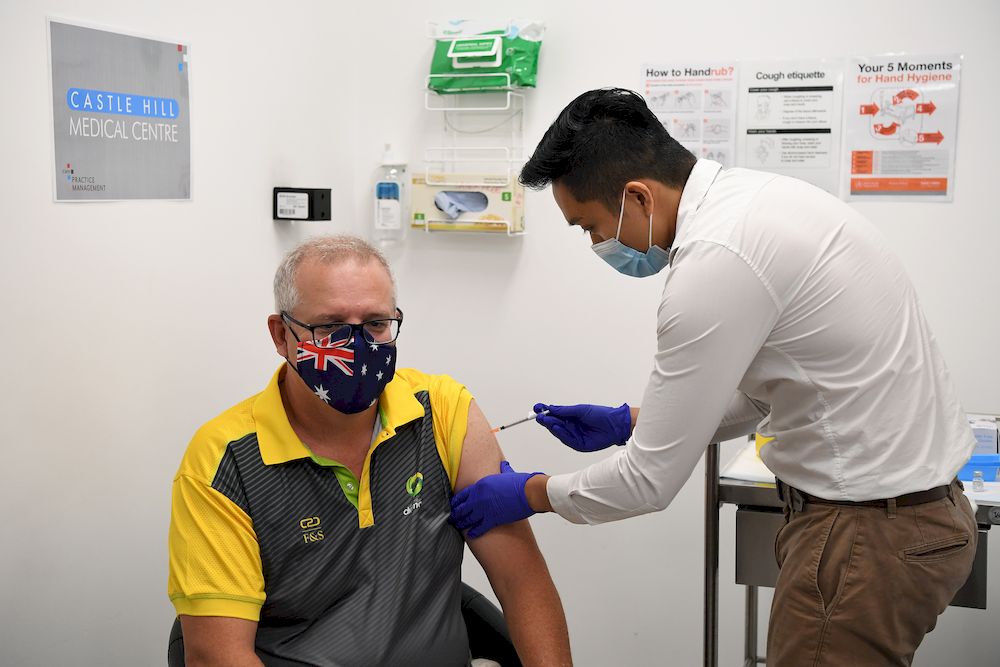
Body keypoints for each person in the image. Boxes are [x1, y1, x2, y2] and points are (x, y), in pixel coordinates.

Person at [450, 88, 977, 666]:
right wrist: (630, 422)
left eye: (590, 227)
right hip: (913, 517)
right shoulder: (762, 201)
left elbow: (648, 484)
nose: (598, 244)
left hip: (866, 535)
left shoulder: (715, 263)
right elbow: (767, 391)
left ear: (637, 196)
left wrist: (530, 493)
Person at [168, 235, 571, 667]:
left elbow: (521, 580)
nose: (358, 347)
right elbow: (218, 655)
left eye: (377, 324)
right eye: (331, 327)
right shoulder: (224, 461)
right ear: (281, 334)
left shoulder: (442, 411)